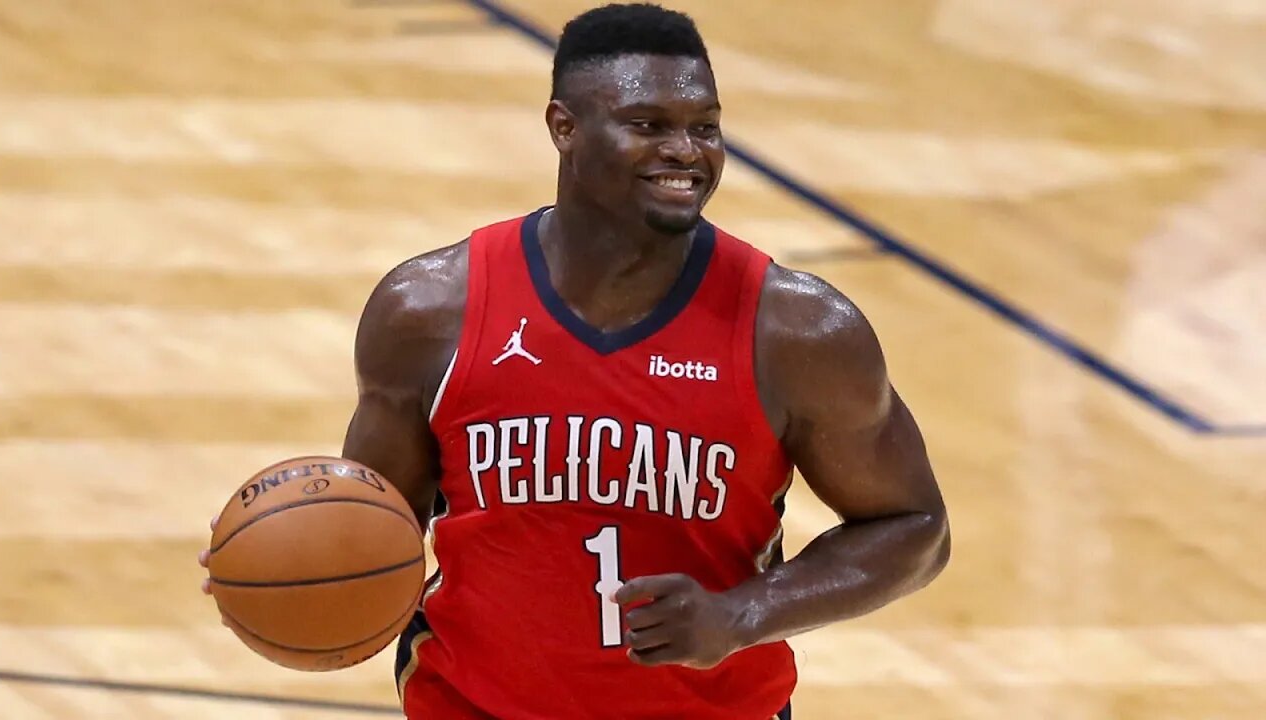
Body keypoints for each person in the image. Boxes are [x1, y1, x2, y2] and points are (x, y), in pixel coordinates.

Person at [203, 3, 949, 718]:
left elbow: (914, 527)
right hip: (472, 706)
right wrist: (276, 562)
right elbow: (375, 526)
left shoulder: (798, 329)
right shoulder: (429, 312)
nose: (687, 150)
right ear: (564, 126)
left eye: (706, 127)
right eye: (648, 125)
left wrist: (742, 613)